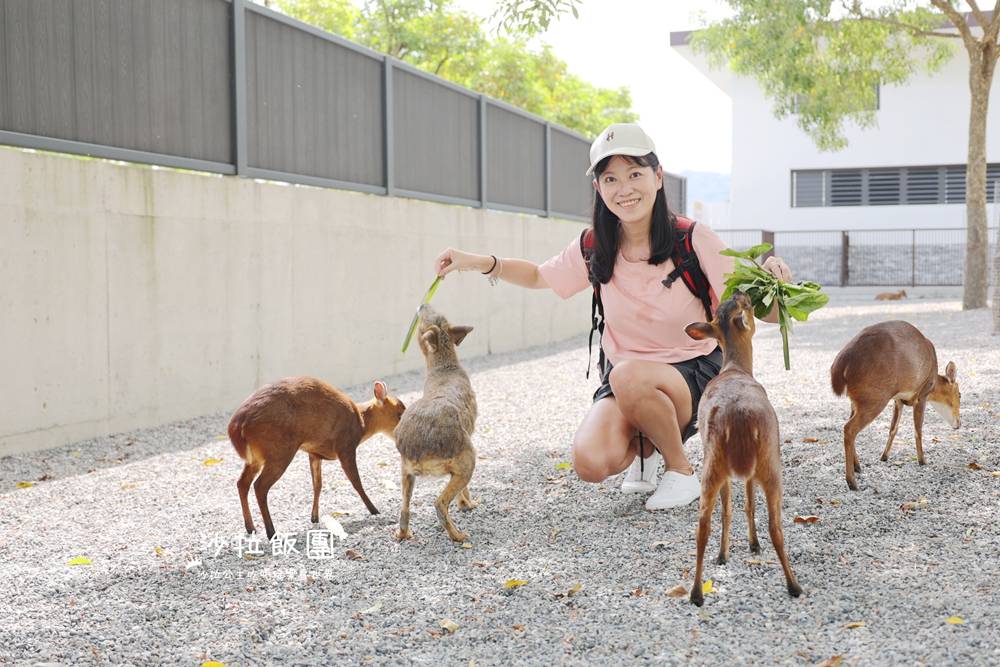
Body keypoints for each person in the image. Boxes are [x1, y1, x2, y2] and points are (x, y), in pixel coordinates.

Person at [434, 123, 793, 510]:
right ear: (598, 188)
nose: (624, 189)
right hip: (626, 382)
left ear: (657, 177)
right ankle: (648, 447)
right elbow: (540, 275)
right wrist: (476, 262)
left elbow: (750, 310)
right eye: (611, 179)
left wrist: (779, 290)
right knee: (590, 461)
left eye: (635, 174)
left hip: (691, 375)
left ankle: (682, 471)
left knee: (627, 374)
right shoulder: (594, 246)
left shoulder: (693, 238)